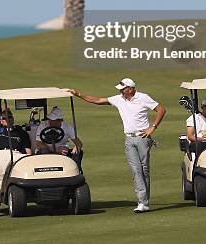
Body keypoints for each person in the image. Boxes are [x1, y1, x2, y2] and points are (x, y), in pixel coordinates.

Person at [67, 78, 166, 213]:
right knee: (136, 170)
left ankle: (145, 201)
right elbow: (97, 100)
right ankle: (142, 202)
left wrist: (152, 128)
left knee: (144, 170)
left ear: (130, 89)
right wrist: (78, 94)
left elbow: (161, 109)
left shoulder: (143, 97)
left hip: (143, 138)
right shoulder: (119, 99)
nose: (120, 91)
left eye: (123, 89)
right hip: (128, 139)